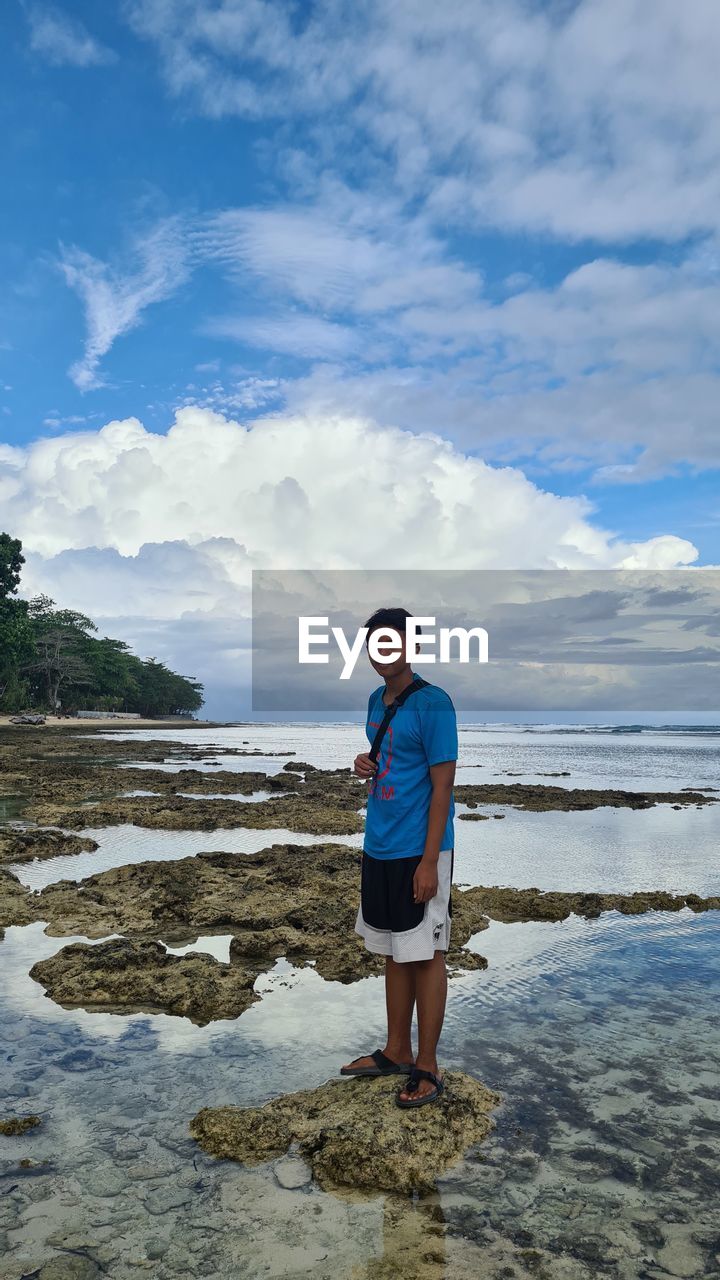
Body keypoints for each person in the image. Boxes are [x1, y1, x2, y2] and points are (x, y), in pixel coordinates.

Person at [340, 607, 458, 1107]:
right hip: (379, 844)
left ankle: (427, 1065)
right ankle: (396, 1049)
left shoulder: (434, 704)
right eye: (375, 645)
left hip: (419, 849)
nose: (383, 653)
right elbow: (387, 763)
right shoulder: (375, 699)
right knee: (393, 949)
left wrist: (430, 861)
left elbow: (442, 788)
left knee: (427, 954)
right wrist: (365, 764)